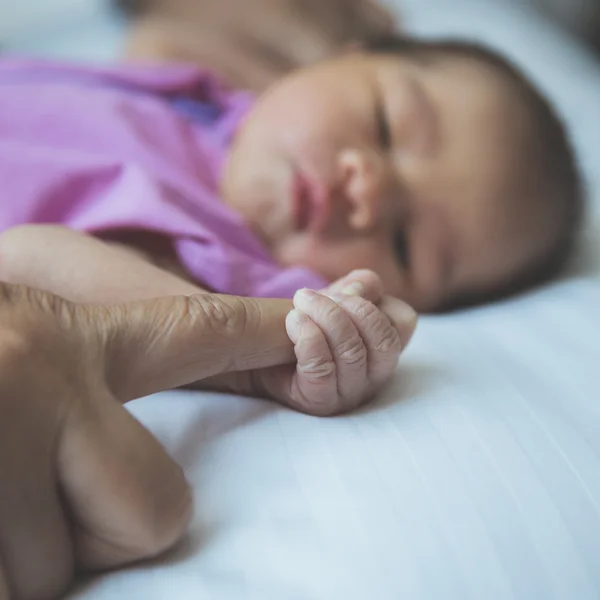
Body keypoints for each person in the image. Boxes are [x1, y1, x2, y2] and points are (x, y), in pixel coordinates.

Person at [0, 270, 414, 600]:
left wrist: (343, 324)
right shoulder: (167, 174)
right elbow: (24, 256)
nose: (363, 183)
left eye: (401, 242)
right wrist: (243, 350)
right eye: (387, 156)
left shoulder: (275, 270)